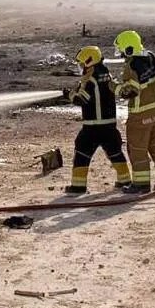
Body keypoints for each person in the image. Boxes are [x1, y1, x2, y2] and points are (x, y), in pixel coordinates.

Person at [63, 45, 132, 195]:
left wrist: (70, 95)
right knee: (115, 152)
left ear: (89, 61)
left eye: (82, 63)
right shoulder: (106, 74)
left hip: (93, 126)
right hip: (110, 125)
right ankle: (125, 180)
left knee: (82, 152)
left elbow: (81, 100)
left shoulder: (91, 79)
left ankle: (78, 186)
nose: (81, 67)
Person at [114, 30, 155, 194]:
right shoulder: (153, 57)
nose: (120, 53)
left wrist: (113, 86)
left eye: (121, 49)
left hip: (142, 116)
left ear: (128, 49)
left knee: (137, 149)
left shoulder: (132, 66)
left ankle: (141, 184)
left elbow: (129, 92)